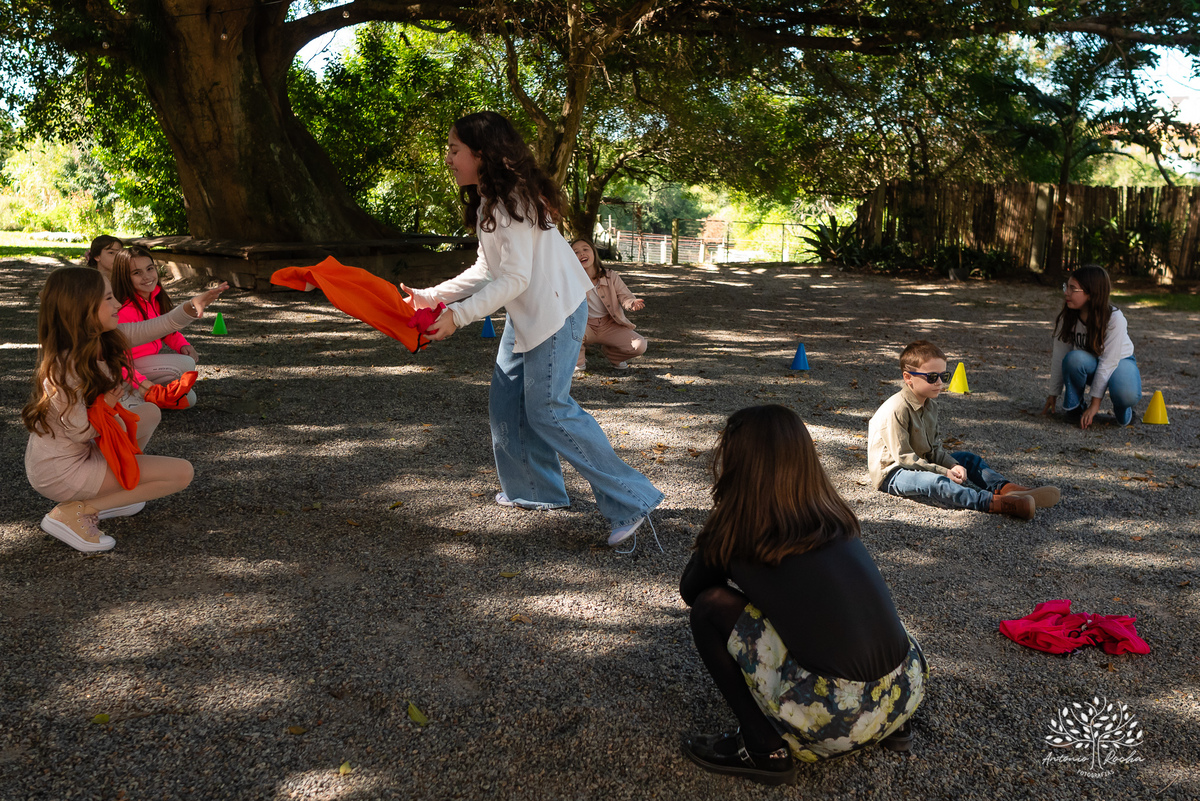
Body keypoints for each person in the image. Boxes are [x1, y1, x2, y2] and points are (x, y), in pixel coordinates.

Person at [400, 111, 662, 550]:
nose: (448, 158)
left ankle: (632, 499)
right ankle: (534, 492)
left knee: (548, 409)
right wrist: (431, 297)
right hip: (532, 312)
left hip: (555, 312)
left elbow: (515, 279)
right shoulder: (491, 199)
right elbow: (488, 269)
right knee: (507, 399)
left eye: (454, 150)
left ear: (481, 155)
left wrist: (458, 316)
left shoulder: (512, 202)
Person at [679, 405, 928, 785]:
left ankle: (764, 748)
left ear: (737, 460)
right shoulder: (834, 516)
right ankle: (892, 728)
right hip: (906, 687)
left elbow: (692, 591)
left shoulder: (737, 531)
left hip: (838, 721)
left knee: (710, 608)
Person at [22, 267, 227, 553]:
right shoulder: (64, 369)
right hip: (61, 471)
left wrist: (194, 306)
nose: (118, 304)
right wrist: (107, 407)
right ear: (82, 309)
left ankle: (116, 493)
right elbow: (81, 431)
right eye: (108, 299)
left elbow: (156, 325)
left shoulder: (101, 339)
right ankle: (77, 512)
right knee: (181, 473)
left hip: (78, 454)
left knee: (149, 413)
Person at [867, 340, 1059, 521]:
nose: (939, 383)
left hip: (921, 461)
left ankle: (1008, 489)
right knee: (937, 482)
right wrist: (943, 471)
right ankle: (995, 503)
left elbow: (934, 449)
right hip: (894, 473)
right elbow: (905, 458)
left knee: (968, 460)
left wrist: (952, 465)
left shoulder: (931, 406)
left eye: (944, 376)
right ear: (908, 378)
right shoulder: (897, 408)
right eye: (932, 377)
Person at [1041, 264, 1142, 429]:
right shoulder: (1067, 317)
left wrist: (1095, 405)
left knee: (1126, 394)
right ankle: (1074, 408)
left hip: (1119, 363)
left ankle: (1124, 411)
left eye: (1073, 289)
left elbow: (1108, 362)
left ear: (1091, 293)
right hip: (1090, 365)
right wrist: (1054, 392)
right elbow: (1060, 356)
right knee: (1074, 359)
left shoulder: (1115, 318)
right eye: (1066, 287)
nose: (1066, 292)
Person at [111, 246, 199, 408]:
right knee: (186, 364)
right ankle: (126, 397)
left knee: (189, 399)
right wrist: (143, 383)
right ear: (124, 277)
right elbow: (116, 360)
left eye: (150, 269)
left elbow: (165, 328)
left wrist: (183, 344)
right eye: (137, 273)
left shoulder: (156, 298)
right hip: (124, 372)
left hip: (145, 367)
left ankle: (139, 398)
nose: (146, 277)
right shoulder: (122, 310)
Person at [569, 239, 647, 371]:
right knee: (567, 330)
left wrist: (631, 303)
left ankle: (612, 354)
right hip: (584, 325)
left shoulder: (611, 276)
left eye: (585, 249)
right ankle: (579, 361)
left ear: (593, 252)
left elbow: (625, 296)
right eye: (576, 252)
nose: (581, 254)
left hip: (608, 325)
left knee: (640, 345)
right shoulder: (570, 279)